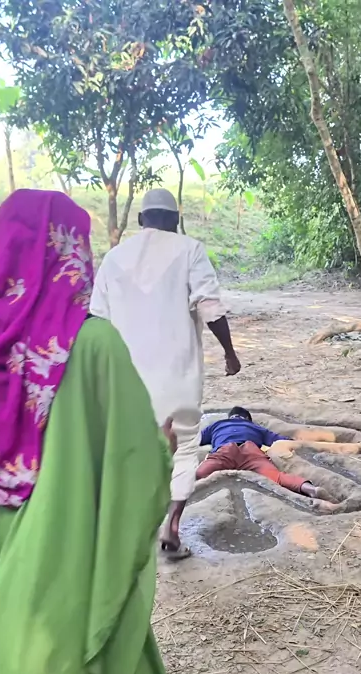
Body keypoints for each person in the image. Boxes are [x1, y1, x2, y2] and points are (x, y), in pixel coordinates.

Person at [0, 190, 180, 674]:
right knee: (79, 624)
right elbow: (132, 455)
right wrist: (162, 449)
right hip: (61, 530)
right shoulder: (93, 345)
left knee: (4, 625)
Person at [90, 188, 241, 561]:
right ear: (175, 220)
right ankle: (171, 524)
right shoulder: (190, 250)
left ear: (142, 219)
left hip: (126, 378)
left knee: (129, 448)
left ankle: (127, 529)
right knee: (185, 447)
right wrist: (229, 352)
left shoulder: (114, 258)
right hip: (177, 375)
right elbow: (209, 307)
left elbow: (96, 320)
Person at [197, 407, 336, 509]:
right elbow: (278, 439)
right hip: (251, 451)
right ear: (247, 419)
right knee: (277, 477)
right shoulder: (255, 427)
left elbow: (197, 439)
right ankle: (310, 489)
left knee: (199, 474)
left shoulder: (218, 425)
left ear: (230, 417)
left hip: (226, 450)